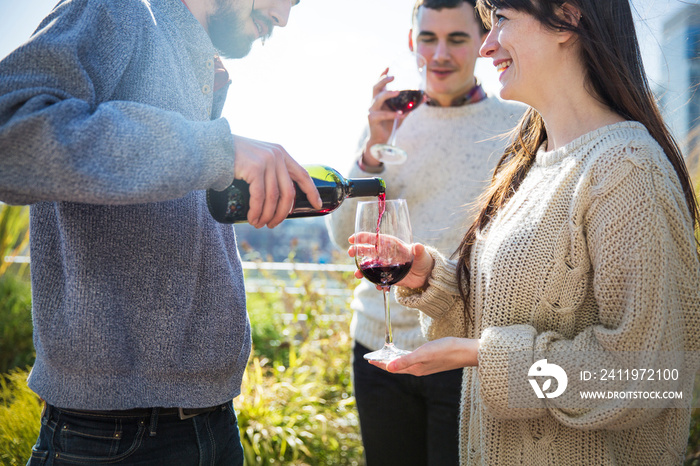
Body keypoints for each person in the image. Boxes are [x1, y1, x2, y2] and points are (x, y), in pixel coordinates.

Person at [348, 0, 700, 464]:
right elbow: (512, 312)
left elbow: (653, 377)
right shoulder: (532, 164)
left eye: (503, 22)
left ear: (568, 18)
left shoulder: (628, 169)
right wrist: (430, 276)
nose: (488, 45)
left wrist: (486, 357)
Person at [0, 0, 322, 464]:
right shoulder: (114, 9)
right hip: (113, 438)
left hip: (213, 422)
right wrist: (217, 150)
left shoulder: (196, 57)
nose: (284, 17)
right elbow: (13, 133)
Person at [326, 0, 522, 464]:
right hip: (378, 348)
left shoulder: (515, 126)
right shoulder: (388, 123)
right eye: (429, 39)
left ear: (484, 42)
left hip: (461, 353)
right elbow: (342, 238)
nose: (440, 54)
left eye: (456, 38)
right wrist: (371, 152)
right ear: (413, 43)